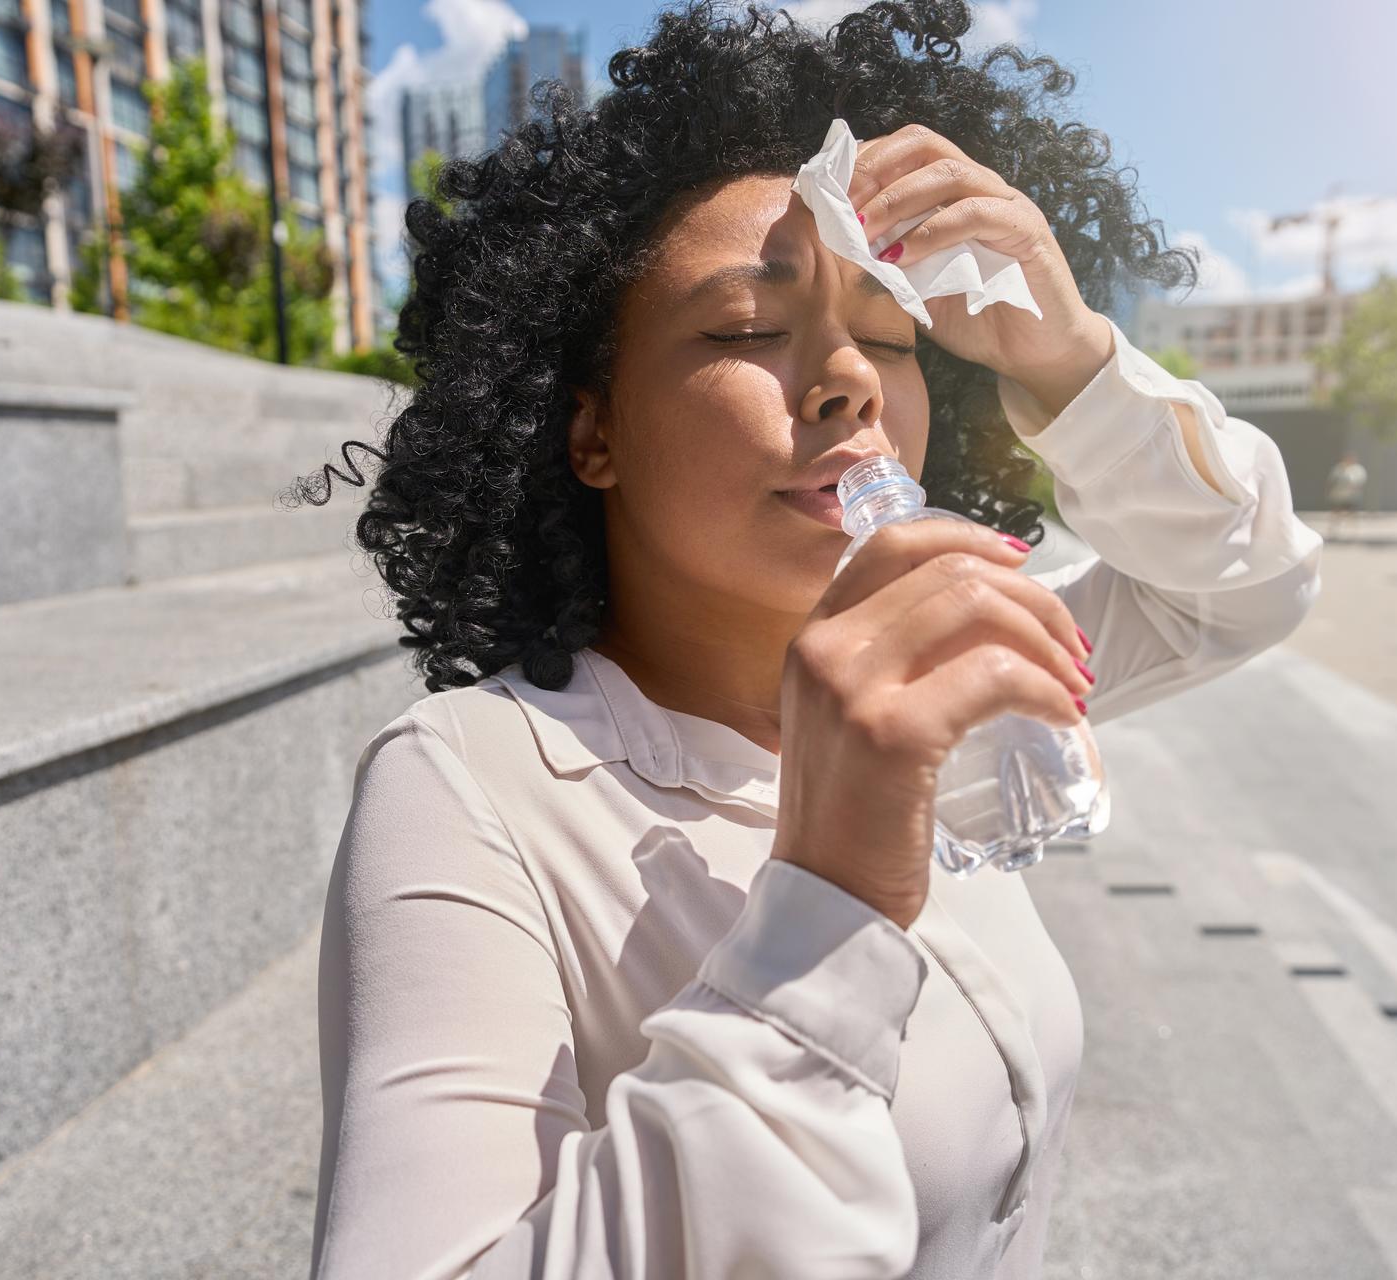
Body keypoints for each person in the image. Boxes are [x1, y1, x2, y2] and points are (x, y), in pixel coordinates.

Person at [296, 3, 1322, 1276]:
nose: (850, 382)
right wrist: (828, 892)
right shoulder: (473, 784)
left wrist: (1069, 362)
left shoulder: (945, 666)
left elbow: (1242, 588)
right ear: (592, 432)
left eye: (891, 340)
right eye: (743, 331)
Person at [1326, 451, 1368, 540]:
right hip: (1339, 495)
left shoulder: (1357, 469)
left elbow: (1360, 482)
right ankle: (1333, 529)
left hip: (1351, 496)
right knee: (1336, 512)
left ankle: (1354, 531)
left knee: (1352, 513)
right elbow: (1332, 481)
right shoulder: (1339, 469)